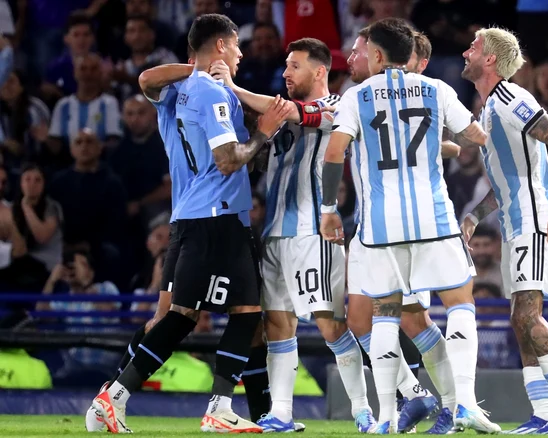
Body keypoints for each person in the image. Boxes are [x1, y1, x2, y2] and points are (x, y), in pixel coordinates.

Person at [90, 14, 291, 433]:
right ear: (220, 46)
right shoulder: (209, 91)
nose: (239, 55)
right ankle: (127, 397)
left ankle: (125, 398)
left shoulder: (178, 90)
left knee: (218, 312)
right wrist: (264, 134)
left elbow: (147, 80)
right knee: (198, 316)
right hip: (213, 217)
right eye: (235, 46)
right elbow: (227, 159)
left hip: (193, 216)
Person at [321, 18, 500, 434]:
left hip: (380, 228)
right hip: (433, 219)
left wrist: (330, 208)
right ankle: (466, 403)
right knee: (460, 304)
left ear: (378, 55)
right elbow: (475, 134)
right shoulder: (437, 89)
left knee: (385, 314)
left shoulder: (357, 95)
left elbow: (334, 153)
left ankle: (385, 417)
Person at [223, 38, 375, 433]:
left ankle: (362, 409)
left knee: (328, 324)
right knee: (277, 323)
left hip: (313, 231)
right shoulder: (278, 118)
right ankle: (283, 413)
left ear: (320, 71)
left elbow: (293, 111)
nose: (286, 73)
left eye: (294, 66)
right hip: (275, 231)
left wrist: (233, 89)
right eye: (286, 66)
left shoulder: (336, 107)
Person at [460, 27, 548, 434]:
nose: (466, 52)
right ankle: (543, 412)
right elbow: (504, 183)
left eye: (474, 48)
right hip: (517, 222)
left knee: (530, 316)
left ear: (491, 59)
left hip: (535, 222)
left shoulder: (512, 98)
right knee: (520, 317)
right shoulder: (487, 110)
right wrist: (475, 215)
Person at [343, 27, 463, 435]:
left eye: (359, 51)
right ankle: (413, 395)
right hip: (368, 227)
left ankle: (449, 404)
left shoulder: (366, 97)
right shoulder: (360, 99)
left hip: (397, 225)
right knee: (359, 319)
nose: (353, 58)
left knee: (406, 318)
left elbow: (454, 144)